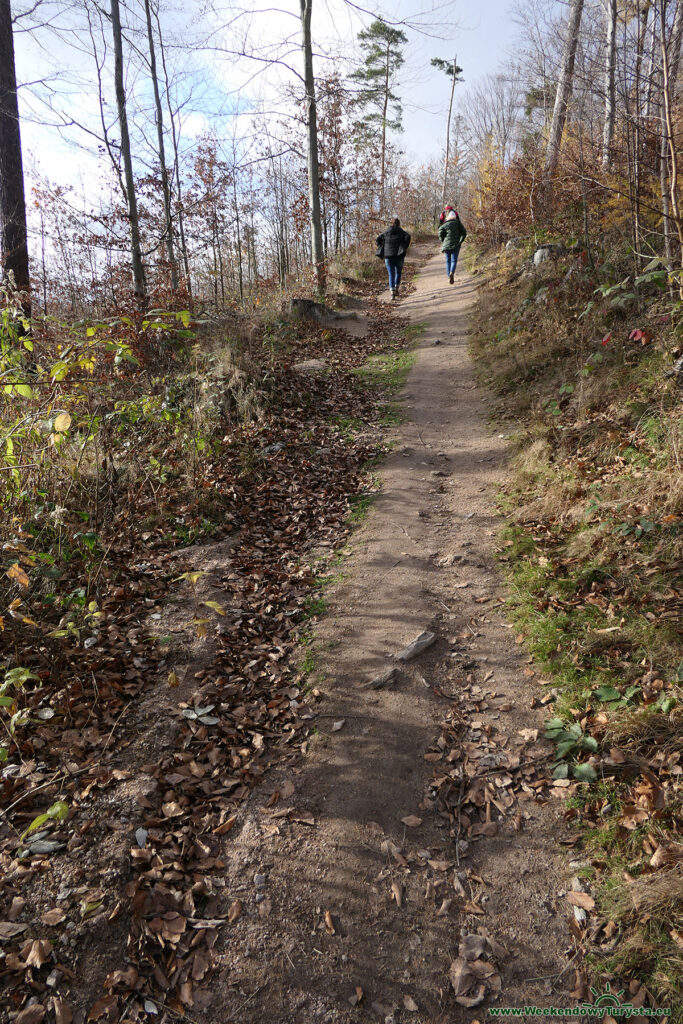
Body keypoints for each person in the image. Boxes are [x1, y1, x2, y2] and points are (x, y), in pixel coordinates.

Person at [376, 217, 411, 300]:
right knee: (398, 272)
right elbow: (408, 237)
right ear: (399, 224)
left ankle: (392, 291)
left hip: (388, 256)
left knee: (391, 274)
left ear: (391, 223)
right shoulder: (401, 232)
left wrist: (382, 246)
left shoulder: (387, 232)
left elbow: (378, 239)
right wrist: (404, 246)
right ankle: (396, 288)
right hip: (399, 256)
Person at [439, 209, 467, 284]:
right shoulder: (458, 223)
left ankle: (449, 276)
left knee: (448, 260)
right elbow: (464, 233)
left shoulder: (445, 224)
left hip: (446, 245)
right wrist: (460, 241)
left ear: (447, 217)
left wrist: (443, 240)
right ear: (454, 216)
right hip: (456, 245)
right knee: (454, 260)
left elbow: (440, 232)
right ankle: (452, 272)